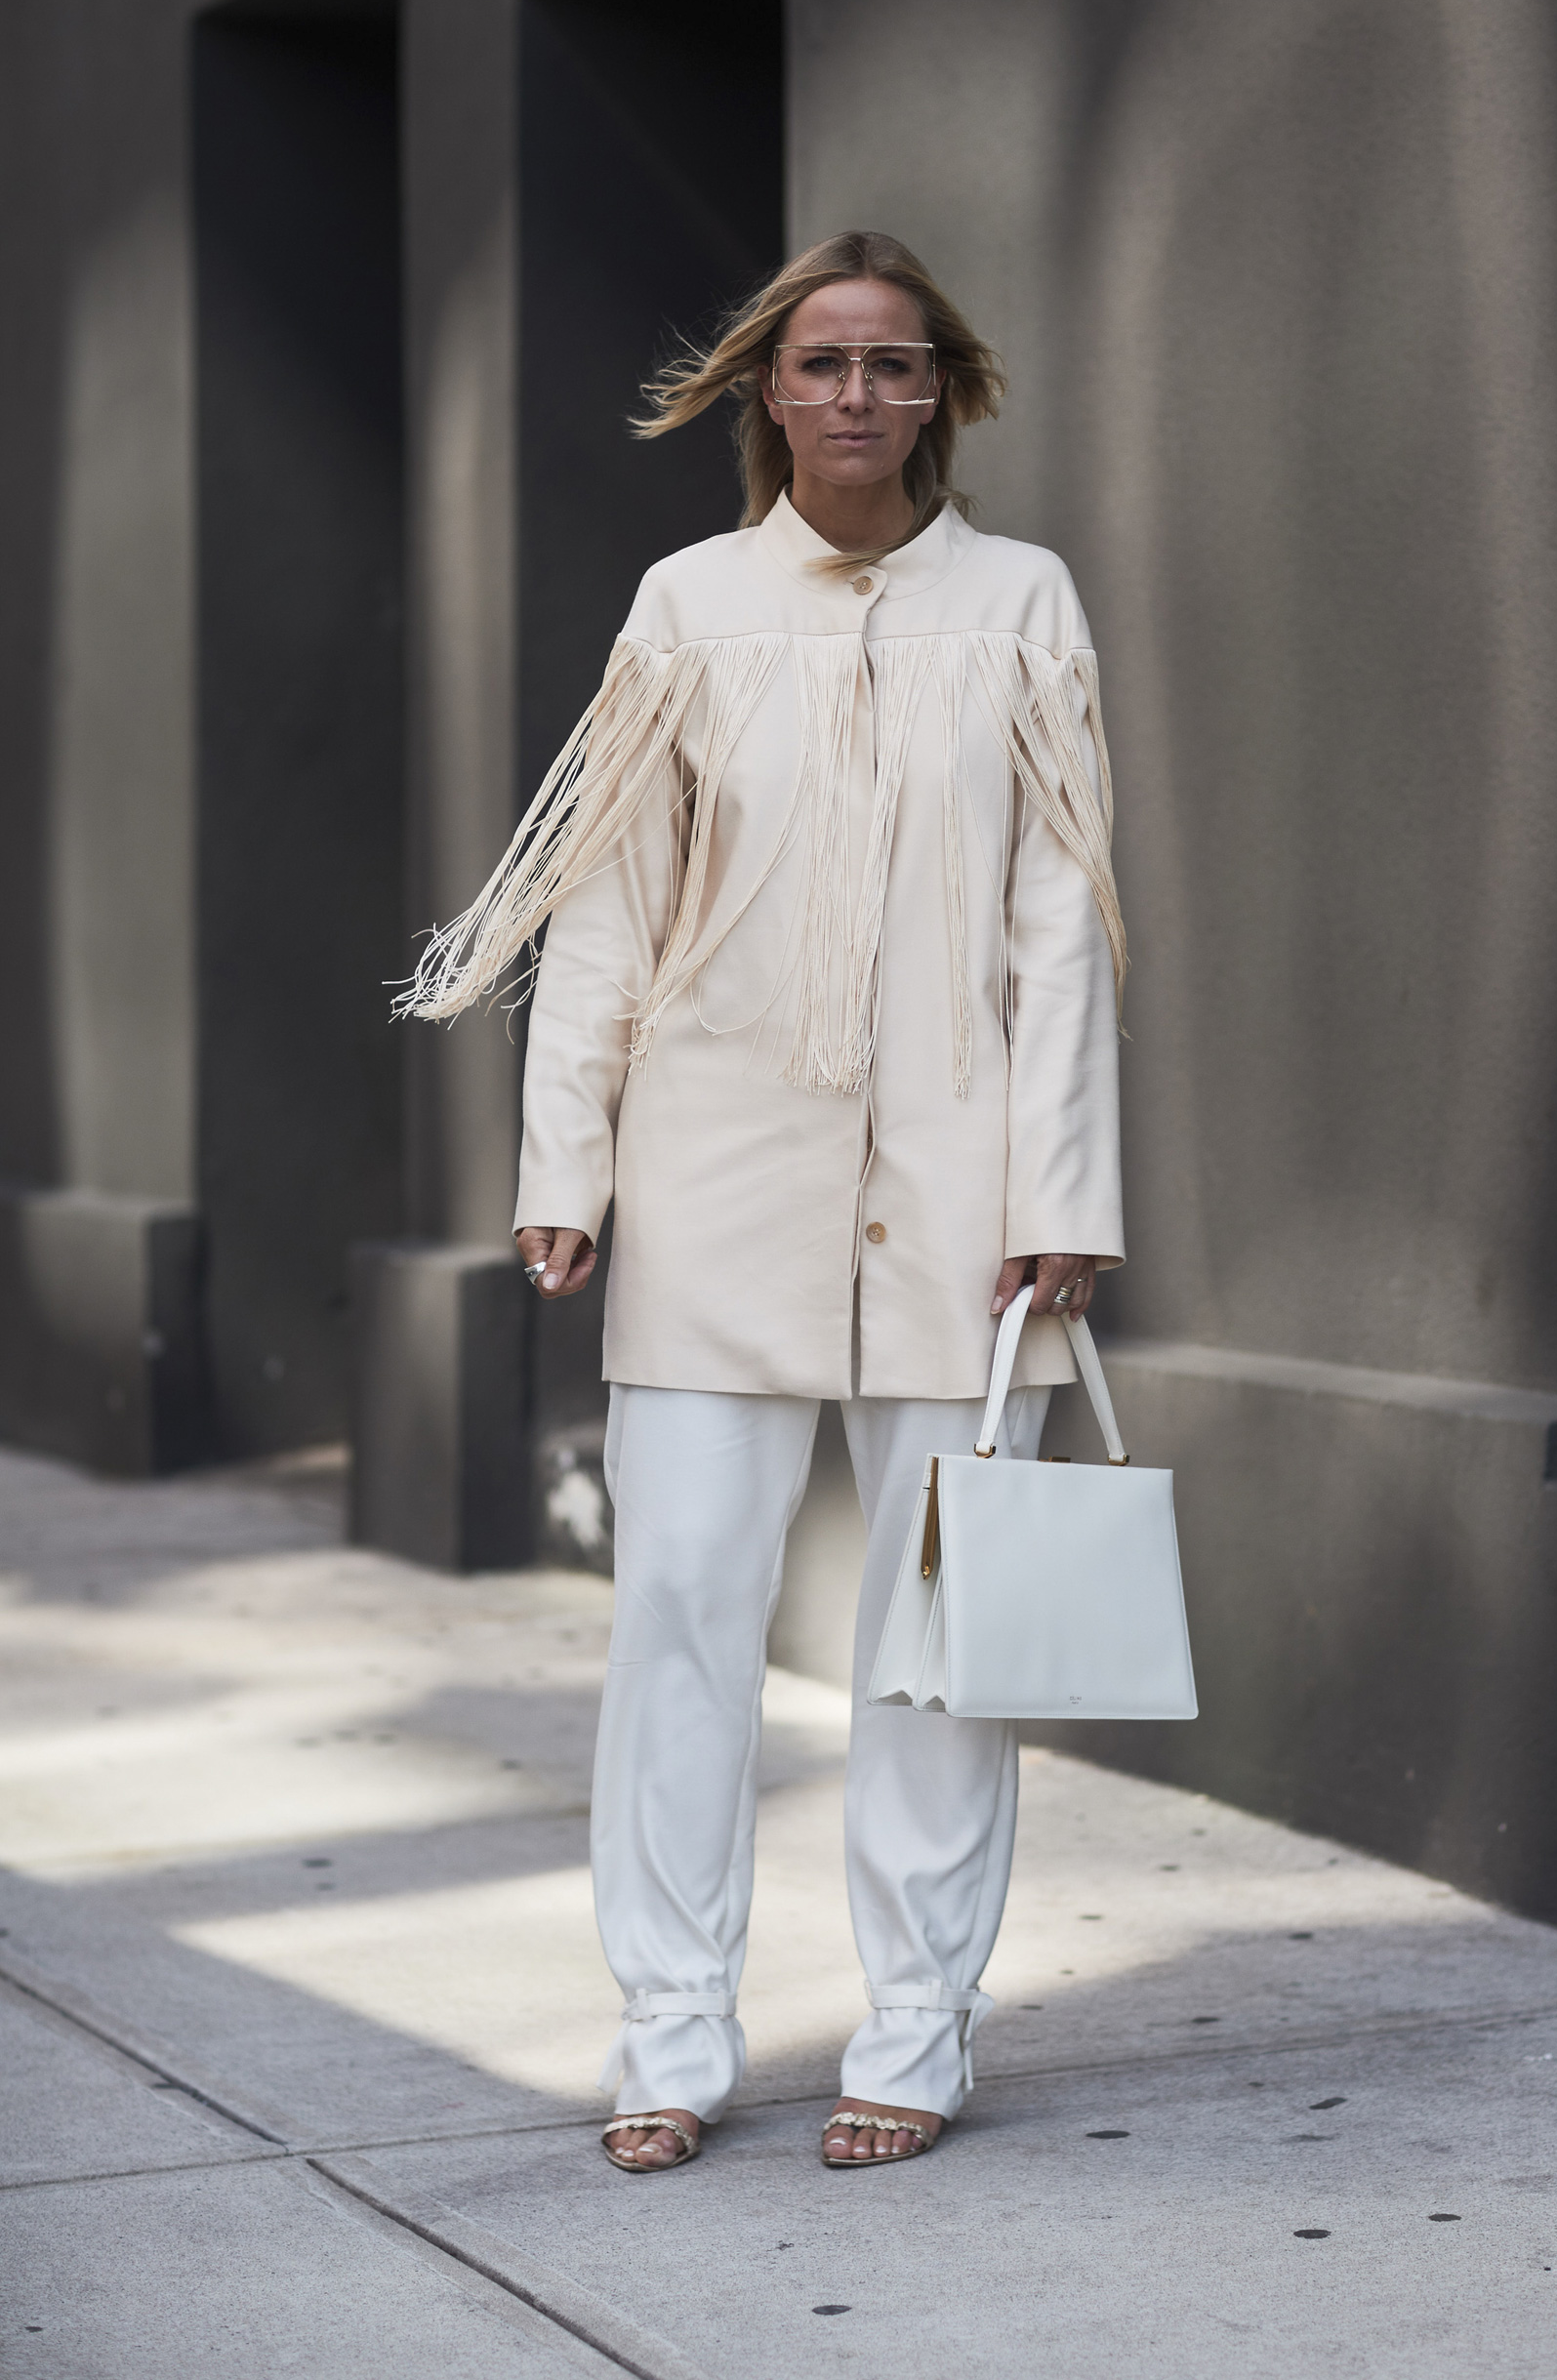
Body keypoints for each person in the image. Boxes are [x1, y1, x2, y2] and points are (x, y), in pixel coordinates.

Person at [401, 229, 1126, 2172]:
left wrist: (1065, 1186)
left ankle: (919, 2030)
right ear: (766, 392)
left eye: (896, 364)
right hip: (711, 1175)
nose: (859, 395)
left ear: (945, 391)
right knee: (680, 1618)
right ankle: (669, 2035)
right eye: (823, 364)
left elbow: (1064, 924)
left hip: (968, 1196)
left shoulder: (1025, 603)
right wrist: (566, 1163)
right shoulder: (688, 608)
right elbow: (606, 910)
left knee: (946, 1635)